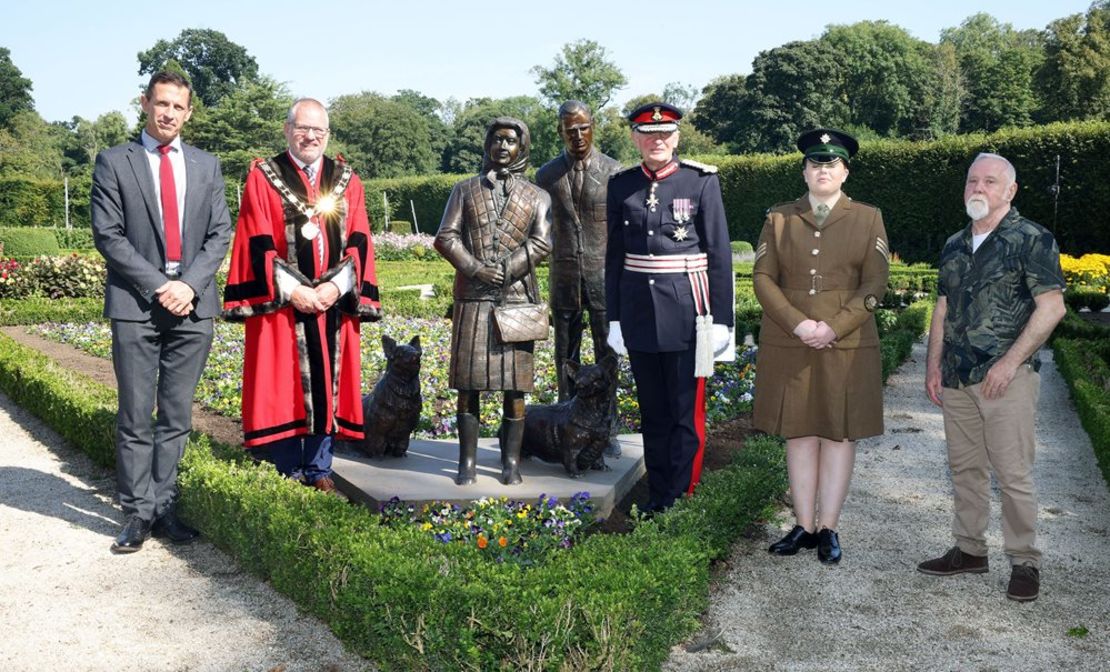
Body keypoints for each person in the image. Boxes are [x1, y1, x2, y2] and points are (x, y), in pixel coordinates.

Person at [91, 71, 233, 553]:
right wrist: (160, 286)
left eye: (178, 106)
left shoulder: (207, 165)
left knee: (176, 414)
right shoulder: (114, 162)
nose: (169, 113)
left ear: (189, 112)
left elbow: (220, 235)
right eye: (161, 103)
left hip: (193, 308)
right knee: (135, 412)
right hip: (136, 305)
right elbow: (108, 236)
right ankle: (136, 512)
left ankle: (164, 504)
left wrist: (188, 285)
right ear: (145, 104)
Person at [918, 153, 1066, 602]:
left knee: (1013, 473)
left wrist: (1009, 363)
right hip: (958, 378)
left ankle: (1025, 561)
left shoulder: (1031, 239)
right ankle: (969, 550)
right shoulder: (955, 243)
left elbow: (1052, 308)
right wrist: (932, 365)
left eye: (989, 181)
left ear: (1010, 191)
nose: (978, 188)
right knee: (965, 469)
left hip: (1008, 379)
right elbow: (943, 307)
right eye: (972, 181)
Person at [223, 98, 381, 492]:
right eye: (302, 128)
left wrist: (334, 286)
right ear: (287, 129)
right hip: (284, 304)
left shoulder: (347, 178)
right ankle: (286, 466)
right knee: (284, 379)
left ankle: (319, 467)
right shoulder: (264, 176)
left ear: (327, 135)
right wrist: (294, 290)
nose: (310, 136)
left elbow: (360, 239)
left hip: (331, 303)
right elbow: (255, 239)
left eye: (318, 130)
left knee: (329, 378)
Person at [752, 128, 889, 564]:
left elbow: (874, 284)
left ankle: (829, 526)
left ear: (845, 171)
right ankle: (802, 526)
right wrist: (798, 325)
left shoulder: (868, 218)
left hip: (845, 346)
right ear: (804, 171)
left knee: (839, 433)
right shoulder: (778, 218)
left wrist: (833, 327)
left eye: (831, 165)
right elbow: (762, 279)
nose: (822, 171)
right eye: (815, 164)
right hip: (791, 343)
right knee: (800, 432)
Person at [605, 102, 734, 513]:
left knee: (685, 413)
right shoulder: (620, 185)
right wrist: (614, 318)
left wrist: (722, 321)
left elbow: (719, 253)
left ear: (676, 138)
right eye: (647, 134)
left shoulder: (701, 182)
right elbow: (613, 257)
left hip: (688, 313)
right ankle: (658, 495)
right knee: (653, 412)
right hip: (639, 312)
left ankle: (682, 498)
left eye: (664, 134)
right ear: (635, 139)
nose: (656, 141)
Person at [435, 117, 552, 486]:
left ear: (522, 148)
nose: (503, 147)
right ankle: (466, 463)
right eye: (497, 139)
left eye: (511, 141)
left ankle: (510, 463)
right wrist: (475, 269)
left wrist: (507, 268)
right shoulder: (464, 190)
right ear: (487, 144)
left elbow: (542, 241)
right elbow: (446, 237)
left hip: (515, 298)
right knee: (468, 385)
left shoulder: (538, 196)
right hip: (472, 297)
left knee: (514, 386)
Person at [535, 100, 623, 457]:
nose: (577, 135)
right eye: (570, 129)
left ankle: (608, 425)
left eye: (583, 127)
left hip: (603, 277)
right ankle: (565, 418)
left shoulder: (615, 172)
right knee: (564, 355)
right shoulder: (546, 175)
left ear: (594, 127)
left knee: (608, 354)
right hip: (564, 276)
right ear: (560, 131)